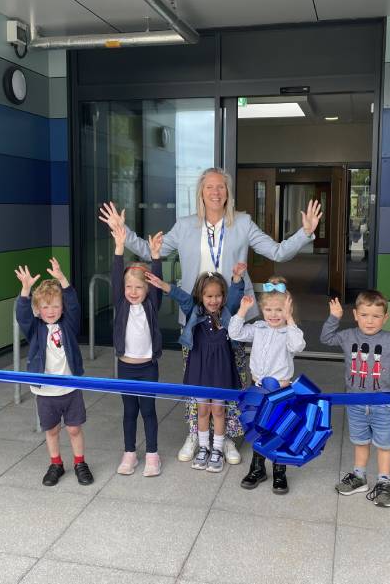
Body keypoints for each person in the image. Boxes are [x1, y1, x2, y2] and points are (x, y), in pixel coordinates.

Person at [99, 167, 323, 464]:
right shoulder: (185, 225)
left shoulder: (243, 223)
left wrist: (305, 232)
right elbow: (150, 249)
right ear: (201, 193)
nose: (216, 192)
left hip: (234, 316)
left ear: (227, 192)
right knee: (197, 380)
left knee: (231, 380)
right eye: (209, 187)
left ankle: (226, 436)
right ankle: (196, 434)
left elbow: (278, 252)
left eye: (221, 187)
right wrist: (122, 233)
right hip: (195, 318)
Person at [320, 290, 390, 507]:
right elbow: (326, 338)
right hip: (355, 402)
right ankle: (359, 477)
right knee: (360, 440)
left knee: (385, 444)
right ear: (355, 314)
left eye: (376, 316)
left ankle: (384, 483)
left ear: (385, 318)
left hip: (383, 403)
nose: (370, 321)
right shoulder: (348, 336)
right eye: (365, 315)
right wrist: (334, 318)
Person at [145, 264, 246, 473]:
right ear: (200, 296)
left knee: (218, 410)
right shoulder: (194, 310)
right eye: (208, 296)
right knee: (202, 410)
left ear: (223, 296)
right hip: (200, 368)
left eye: (218, 296)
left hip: (221, 369)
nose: (213, 300)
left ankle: (217, 449)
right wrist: (163, 285)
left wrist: (237, 278)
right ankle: (203, 447)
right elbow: (180, 296)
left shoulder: (227, 312)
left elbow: (236, 296)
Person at [14, 258, 94, 487]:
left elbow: (75, 306)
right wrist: (26, 290)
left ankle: (80, 462)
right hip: (46, 392)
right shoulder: (35, 329)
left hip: (70, 388)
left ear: (62, 308)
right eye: (45, 307)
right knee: (51, 430)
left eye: (56, 306)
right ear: (38, 310)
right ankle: (56, 463)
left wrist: (62, 281)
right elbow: (22, 315)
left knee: (74, 429)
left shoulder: (68, 325)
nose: (51, 311)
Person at [228, 276, 306, 495]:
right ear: (262, 309)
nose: (274, 315)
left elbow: (298, 345)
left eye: (279, 310)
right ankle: (257, 468)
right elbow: (234, 333)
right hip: (258, 388)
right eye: (269, 309)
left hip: (281, 391)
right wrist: (243, 311)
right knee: (258, 428)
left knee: (279, 430)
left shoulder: (289, 332)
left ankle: (279, 471)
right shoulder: (259, 328)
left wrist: (290, 320)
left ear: (288, 310)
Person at [109, 219, 165, 477]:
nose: (133, 291)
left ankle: (152, 454)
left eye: (139, 287)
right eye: (129, 287)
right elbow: (116, 276)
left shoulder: (151, 305)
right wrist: (119, 248)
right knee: (129, 411)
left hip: (147, 368)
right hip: (126, 367)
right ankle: (129, 453)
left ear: (147, 289)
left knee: (148, 411)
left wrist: (155, 257)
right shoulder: (120, 304)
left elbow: (156, 282)